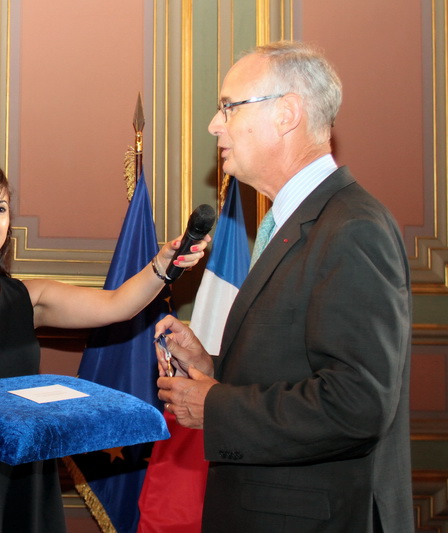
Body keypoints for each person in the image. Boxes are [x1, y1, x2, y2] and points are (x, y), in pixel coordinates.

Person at [154, 41, 413, 533]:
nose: (214, 124)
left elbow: (357, 405)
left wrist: (216, 406)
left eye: (229, 107)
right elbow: (299, 365)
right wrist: (214, 367)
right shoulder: (292, 221)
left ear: (287, 114)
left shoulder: (353, 228)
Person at [0, 158, 208, 533]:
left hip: (28, 472)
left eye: (0, 208)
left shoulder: (28, 296)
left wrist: (162, 264)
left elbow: (117, 304)